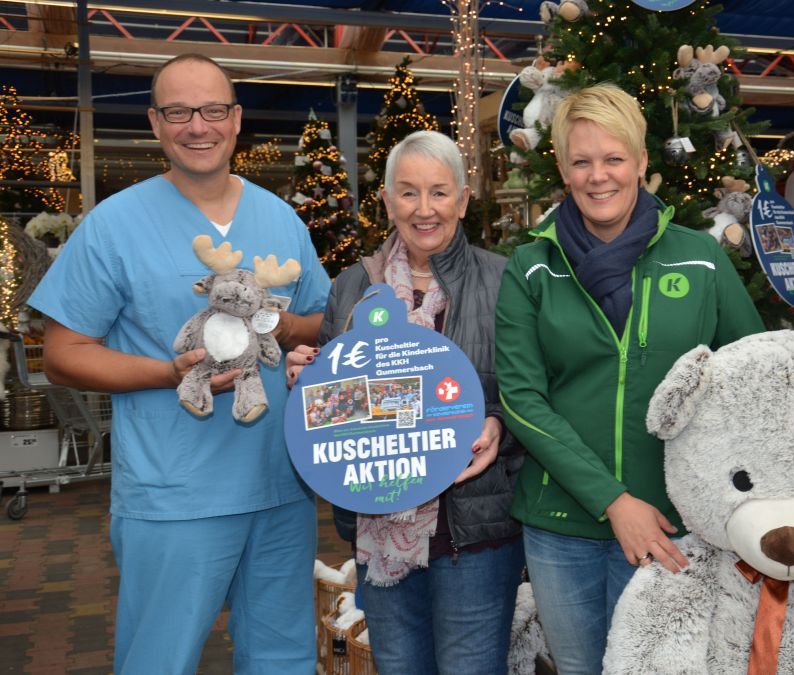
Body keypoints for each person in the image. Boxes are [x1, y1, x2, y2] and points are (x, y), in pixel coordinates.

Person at [28, 54, 331, 673]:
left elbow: (319, 320)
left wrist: (278, 328)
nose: (199, 125)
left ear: (237, 119)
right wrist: (168, 372)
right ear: (155, 122)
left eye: (214, 109)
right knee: (158, 659)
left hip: (282, 486)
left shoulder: (280, 218)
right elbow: (62, 354)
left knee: (286, 659)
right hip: (177, 494)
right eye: (179, 112)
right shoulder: (113, 225)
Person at [494, 83, 765, 674]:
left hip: (673, 524)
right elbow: (521, 398)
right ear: (563, 170)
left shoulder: (699, 259)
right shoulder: (532, 266)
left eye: (614, 158)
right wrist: (614, 501)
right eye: (582, 161)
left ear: (642, 162)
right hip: (560, 524)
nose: (599, 177)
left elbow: (751, 380)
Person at [286, 130, 525, 675]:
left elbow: (532, 389)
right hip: (378, 532)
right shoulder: (350, 287)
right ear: (388, 200)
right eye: (409, 192)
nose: (424, 209)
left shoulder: (503, 280)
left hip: (474, 534)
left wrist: (499, 423)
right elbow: (338, 404)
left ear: (463, 201)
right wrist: (309, 385)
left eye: (439, 193)